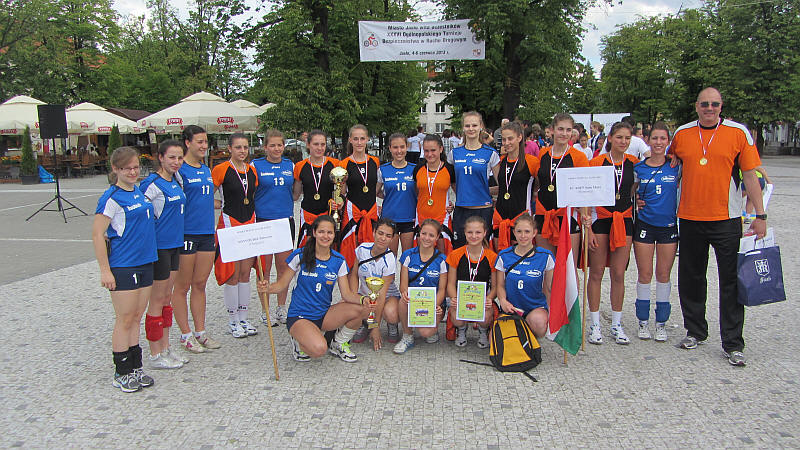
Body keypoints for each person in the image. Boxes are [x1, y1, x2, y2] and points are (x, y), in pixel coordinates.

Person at [670, 87, 765, 366]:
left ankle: (733, 343)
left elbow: (750, 176)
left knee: (731, 281)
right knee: (691, 278)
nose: (709, 108)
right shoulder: (682, 134)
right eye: (704, 104)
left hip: (726, 218)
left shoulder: (738, 132)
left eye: (714, 104)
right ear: (696, 106)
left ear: (721, 106)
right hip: (690, 217)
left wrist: (760, 215)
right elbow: (671, 164)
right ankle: (695, 331)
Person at [258, 215, 371, 362]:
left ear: (334, 235)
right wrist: (267, 288)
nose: (325, 236)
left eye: (329, 232)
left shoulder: (338, 260)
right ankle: (298, 339)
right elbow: (281, 284)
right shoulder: (300, 255)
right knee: (319, 349)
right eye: (321, 232)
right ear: (314, 233)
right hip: (300, 315)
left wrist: (364, 299)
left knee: (364, 309)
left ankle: (338, 342)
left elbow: (347, 295)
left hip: (323, 314)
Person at [92, 146, 158, 392]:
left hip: (145, 261)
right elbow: (97, 235)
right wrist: (105, 270)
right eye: (127, 168)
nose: (132, 172)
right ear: (115, 169)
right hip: (124, 264)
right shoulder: (111, 198)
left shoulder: (138, 192)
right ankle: (121, 371)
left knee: (137, 316)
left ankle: (135, 367)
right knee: (125, 318)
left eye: (135, 167)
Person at [586, 121, 639, 345]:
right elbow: (587, 195)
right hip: (601, 220)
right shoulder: (596, 162)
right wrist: (588, 228)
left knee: (618, 273)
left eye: (627, 138)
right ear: (610, 138)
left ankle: (616, 324)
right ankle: (595, 324)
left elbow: (634, 190)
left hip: (623, 220)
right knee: (596, 272)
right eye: (619, 137)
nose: (623, 142)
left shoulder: (634, 163)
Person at [139, 140, 188, 369]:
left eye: (179, 158)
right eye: (171, 158)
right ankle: (155, 353)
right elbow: (141, 217)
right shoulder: (151, 185)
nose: (176, 162)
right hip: (159, 248)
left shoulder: (177, 180)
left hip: (175, 245)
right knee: (157, 300)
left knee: (167, 298)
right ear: (160, 157)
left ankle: (166, 347)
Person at [172, 125, 221, 353]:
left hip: (206, 232)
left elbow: (205, 198)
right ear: (187, 143)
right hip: (186, 234)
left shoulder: (205, 169)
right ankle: (185, 334)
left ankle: (200, 331)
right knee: (182, 286)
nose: (204, 146)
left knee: (200, 284)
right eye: (199, 142)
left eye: (205, 142)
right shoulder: (179, 170)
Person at [632, 122, 680, 342]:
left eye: (663, 139)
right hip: (645, 225)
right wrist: (636, 200)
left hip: (668, 227)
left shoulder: (676, 166)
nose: (658, 142)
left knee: (663, 274)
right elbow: (629, 193)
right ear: (648, 141)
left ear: (668, 142)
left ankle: (661, 322)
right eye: (655, 138)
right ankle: (642, 320)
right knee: (645, 274)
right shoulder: (639, 168)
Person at [211, 133, 259, 339]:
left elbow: (251, 195)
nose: (242, 151)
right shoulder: (221, 169)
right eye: (238, 147)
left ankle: (244, 318)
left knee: (245, 273)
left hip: (249, 222)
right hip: (230, 223)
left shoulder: (251, 170)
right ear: (229, 148)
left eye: (245, 147)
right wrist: (219, 205)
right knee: (232, 272)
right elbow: (207, 194)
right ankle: (233, 320)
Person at [252, 129, 295, 326]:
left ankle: (281, 307)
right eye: (272, 145)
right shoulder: (256, 165)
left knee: (284, 267)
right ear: (265, 147)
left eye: (280, 145)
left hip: (285, 220)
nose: (276, 149)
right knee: (264, 268)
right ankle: (265, 310)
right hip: (263, 221)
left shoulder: (289, 165)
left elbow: (295, 193)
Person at [534, 114, 589, 266]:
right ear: (552, 130)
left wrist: (585, 215)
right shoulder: (543, 153)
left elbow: (584, 190)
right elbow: (540, 181)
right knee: (547, 267)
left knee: (568, 268)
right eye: (560, 129)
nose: (564, 134)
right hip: (544, 215)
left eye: (568, 130)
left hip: (567, 216)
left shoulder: (579, 157)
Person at [495, 214, 554, 337]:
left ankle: (529, 333)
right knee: (495, 339)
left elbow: (549, 287)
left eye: (527, 231)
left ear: (534, 233)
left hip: (535, 307)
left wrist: (552, 313)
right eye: (519, 231)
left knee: (539, 323)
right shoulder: (504, 255)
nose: (523, 236)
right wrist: (503, 301)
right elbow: (500, 285)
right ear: (514, 232)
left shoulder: (545, 256)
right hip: (512, 308)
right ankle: (521, 333)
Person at [448, 111, 501, 248]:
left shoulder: (490, 153)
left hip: (483, 210)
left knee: (483, 251)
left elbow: (503, 184)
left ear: (481, 126)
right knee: (460, 250)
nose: (471, 129)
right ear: (463, 128)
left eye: (474, 125)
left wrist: (486, 191)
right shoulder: (454, 153)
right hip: (461, 209)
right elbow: (450, 181)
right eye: (467, 126)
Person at [395, 219, 449, 353]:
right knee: (402, 301)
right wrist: (405, 294)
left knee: (426, 333)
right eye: (424, 233)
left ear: (437, 237)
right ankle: (407, 335)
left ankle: (432, 328)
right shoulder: (408, 255)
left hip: (433, 302)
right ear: (419, 233)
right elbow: (403, 285)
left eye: (431, 235)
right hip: (413, 301)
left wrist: (434, 305)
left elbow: (442, 290)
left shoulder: (442, 260)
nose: (426, 238)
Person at [349, 219, 402, 349]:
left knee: (391, 313)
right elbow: (354, 275)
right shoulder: (362, 249)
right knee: (347, 307)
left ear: (392, 239)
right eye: (380, 233)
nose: (383, 238)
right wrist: (353, 297)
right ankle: (365, 322)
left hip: (387, 296)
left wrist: (375, 327)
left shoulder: (390, 259)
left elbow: (382, 295)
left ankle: (390, 324)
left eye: (388, 236)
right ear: (374, 232)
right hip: (365, 295)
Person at [446, 216, 497, 348]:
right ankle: (461, 330)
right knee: (456, 315)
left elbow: (496, 286)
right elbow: (450, 284)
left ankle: (483, 330)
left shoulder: (492, 257)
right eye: (470, 232)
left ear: (485, 233)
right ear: (465, 232)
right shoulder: (455, 255)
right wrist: (454, 298)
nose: (474, 236)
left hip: (482, 299)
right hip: (462, 298)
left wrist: (489, 299)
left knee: (486, 315)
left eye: (478, 232)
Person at [493, 121, 539, 251]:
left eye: (510, 139)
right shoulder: (501, 161)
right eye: (504, 139)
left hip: (521, 217)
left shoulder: (532, 162)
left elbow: (539, 186)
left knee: (521, 257)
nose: (506, 143)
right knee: (501, 258)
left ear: (519, 137)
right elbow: (504, 187)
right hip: (500, 217)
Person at [339, 124, 380, 268]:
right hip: (353, 212)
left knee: (371, 254)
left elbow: (376, 187)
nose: (359, 142)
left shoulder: (375, 161)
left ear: (367, 139)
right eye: (355, 139)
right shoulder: (344, 164)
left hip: (371, 212)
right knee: (352, 254)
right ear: (350, 140)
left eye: (362, 138)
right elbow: (342, 192)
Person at [293, 130, 339, 246]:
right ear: (308, 145)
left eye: (323, 144)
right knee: (307, 248)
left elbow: (341, 191)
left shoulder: (335, 164)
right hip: (308, 213)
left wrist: (340, 202)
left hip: (327, 213)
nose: (319, 148)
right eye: (316, 144)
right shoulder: (300, 166)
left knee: (327, 247)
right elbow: (295, 195)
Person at [413, 134, 457, 254]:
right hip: (422, 217)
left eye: (433, 150)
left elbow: (458, 192)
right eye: (426, 151)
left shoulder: (449, 169)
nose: (429, 154)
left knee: (442, 256)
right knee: (421, 254)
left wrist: (453, 205)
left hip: (442, 218)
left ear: (441, 149)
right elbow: (417, 193)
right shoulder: (418, 169)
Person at [377, 133, 416, 256]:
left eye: (402, 147)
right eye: (395, 147)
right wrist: (389, 196)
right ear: (390, 148)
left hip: (409, 218)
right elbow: (375, 191)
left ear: (407, 147)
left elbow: (421, 193)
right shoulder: (383, 169)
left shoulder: (415, 169)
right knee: (390, 258)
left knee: (407, 257)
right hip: (389, 218)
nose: (399, 151)